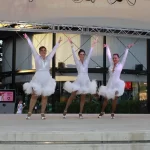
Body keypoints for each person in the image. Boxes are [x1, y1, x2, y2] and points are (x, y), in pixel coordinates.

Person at [23, 33, 62, 120]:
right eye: (42, 51)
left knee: (45, 96)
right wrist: (27, 39)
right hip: (38, 77)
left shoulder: (48, 58)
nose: (44, 52)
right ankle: (29, 112)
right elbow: (32, 47)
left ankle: (42, 113)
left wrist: (58, 42)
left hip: (46, 78)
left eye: (45, 51)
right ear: (40, 52)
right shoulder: (37, 57)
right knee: (34, 95)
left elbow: (54, 51)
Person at [63, 37, 98, 119]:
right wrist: (71, 44)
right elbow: (73, 53)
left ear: (84, 55)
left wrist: (93, 44)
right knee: (73, 95)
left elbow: (90, 53)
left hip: (86, 80)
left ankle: (80, 113)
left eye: (83, 54)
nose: (82, 55)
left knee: (83, 97)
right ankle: (65, 110)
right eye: (80, 54)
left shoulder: (86, 61)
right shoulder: (77, 61)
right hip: (79, 79)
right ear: (79, 55)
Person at [98, 43, 134, 119]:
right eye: (113, 58)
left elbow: (125, 57)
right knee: (106, 99)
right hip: (110, 83)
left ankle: (112, 113)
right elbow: (108, 56)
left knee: (115, 99)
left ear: (118, 59)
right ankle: (102, 111)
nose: (114, 59)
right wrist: (107, 47)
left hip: (117, 84)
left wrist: (127, 48)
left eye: (116, 58)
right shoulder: (111, 64)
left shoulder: (121, 65)